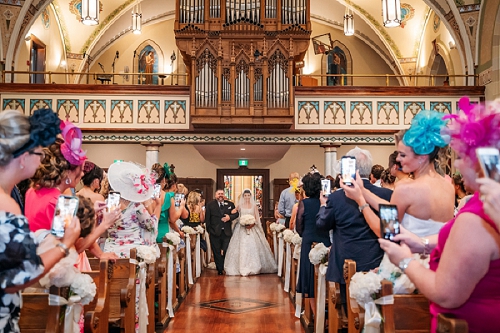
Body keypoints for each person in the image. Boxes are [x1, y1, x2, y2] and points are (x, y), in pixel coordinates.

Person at [379, 97, 500, 332]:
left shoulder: (477, 215)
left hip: (467, 322)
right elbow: (460, 240)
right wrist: (421, 243)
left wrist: (404, 259)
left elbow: (446, 295)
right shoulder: (454, 188)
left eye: (464, 157)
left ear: (483, 162)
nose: (457, 166)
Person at [0, 108, 81, 332]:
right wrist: (65, 243)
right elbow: (19, 276)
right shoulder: (5, 203)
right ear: (23, 158)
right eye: (39, 153)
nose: (42, 159)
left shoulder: (14, 195)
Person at [26, 120, 118, 264]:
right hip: (58, 269)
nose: (82, 175)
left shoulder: (32, 191)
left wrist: (88, 211)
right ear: (68, 173)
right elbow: (75, 246)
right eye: (80, 170)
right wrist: (104, 224)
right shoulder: (63, 204)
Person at [316, 147, 393, 307]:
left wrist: (323, 206)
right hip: (376, 264)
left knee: (347, 312)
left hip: (344, 266)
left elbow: (322, 225)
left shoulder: (337, 197)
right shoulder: (386, 195)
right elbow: (391, 231)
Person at [104, 161, 160, 258]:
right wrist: (158, 205)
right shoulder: (136, 207)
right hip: (131, 252)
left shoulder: (106, 204)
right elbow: (151, 226)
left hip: (110, 251)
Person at [224, 189, 277, 276]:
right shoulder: (240, 205)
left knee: (253, 246)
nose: (247, 197)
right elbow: (233, 212)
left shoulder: (254, 206)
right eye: (245, 196)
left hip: (252, 228)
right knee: (241, 246)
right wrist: (233, 211)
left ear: (250, 196)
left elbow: (257, 217)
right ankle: (240, 266)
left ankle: (255, 266)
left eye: (248, 195)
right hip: (241, 228)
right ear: (243, 196)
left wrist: (252, 223)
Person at [296, 172, 331, 298]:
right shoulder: (327, 202)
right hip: (324, 240)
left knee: (309, 274)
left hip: (308, 240)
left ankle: (312, 311)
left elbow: (298, 226)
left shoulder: (304, 203)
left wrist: (304, 233)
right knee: (323, 272)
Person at [205, 189, 239, 275]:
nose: (220, 195)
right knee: (216, 251)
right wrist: (209, 230)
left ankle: (224, 265)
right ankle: (219, 269)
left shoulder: (230, 204)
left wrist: (230, 217)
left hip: (226, 232)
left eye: (222, 194)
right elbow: (207, 218)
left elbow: (236, 214)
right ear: (215, 195)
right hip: (215, 232)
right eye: (218, 194)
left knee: (226, 249)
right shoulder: (210, 205)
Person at [156, 163, 187, 243]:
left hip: (150, 234)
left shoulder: (148, 195)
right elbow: (172, 219)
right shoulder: (168, 196)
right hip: (163, 234)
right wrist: (181, 206)